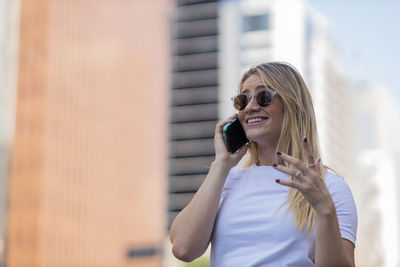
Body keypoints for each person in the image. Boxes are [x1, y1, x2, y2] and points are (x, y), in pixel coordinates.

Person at [169, 62, 357, 266]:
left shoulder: (329, 186)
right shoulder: (224, 180)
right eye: (242, 100)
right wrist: (221, 164)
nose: (250, 107)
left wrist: (325, 210)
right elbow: (183, 249)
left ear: (292, 106)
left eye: (264, 97)